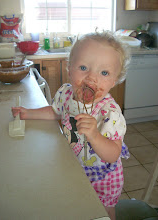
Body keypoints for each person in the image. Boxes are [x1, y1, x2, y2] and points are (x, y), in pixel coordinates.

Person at [12, 31, 130, 220]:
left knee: (102, 213)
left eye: (104, 72)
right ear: (69, 69)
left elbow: (113, 154)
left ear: (114, 81)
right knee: (76, 207)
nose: (92, 78)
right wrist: (28, 113)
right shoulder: (66, 94)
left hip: (102, 178)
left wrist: (94, 135)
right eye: (83, 67)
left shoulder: (110, 113)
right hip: (74, 166)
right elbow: (55, 111)